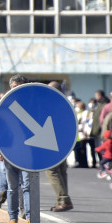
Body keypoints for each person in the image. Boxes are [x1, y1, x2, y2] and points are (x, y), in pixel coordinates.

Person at [1, 75, 32, 223]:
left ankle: (30, 218)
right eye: (14, 86)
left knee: (27, 186)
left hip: (28, 152)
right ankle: (12, 218)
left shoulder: (32, 104)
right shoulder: (4, 104)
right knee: (12, 188)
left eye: (20, 86)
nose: (17, 89)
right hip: (9, 152)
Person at [46, 81, 74, 212]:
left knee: (52, 170)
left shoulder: (52, 103)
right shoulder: (66, 103)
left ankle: (63, 199)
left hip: (52, 140)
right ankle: (60, 200)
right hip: (64, 142)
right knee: (61, 171)